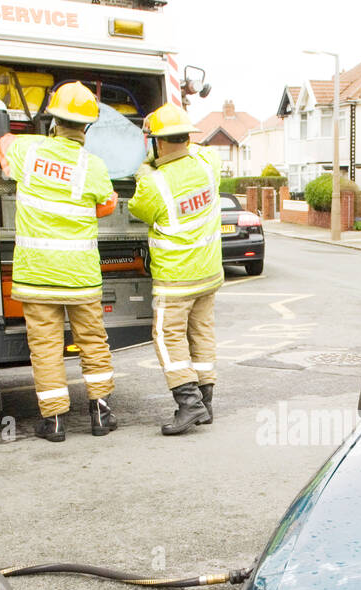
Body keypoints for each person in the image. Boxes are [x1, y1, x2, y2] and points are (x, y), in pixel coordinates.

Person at [0, 83, 116, 443]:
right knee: (93, 342)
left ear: (52, 119)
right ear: (86, 127)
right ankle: (100, 413)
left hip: (37, 275)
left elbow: (3, 146)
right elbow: (107, 205)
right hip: (80, 277)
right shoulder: (92, 165)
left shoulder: (27, 150)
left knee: (46, 348)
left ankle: (55, 422)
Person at [128, 103, 223, 436]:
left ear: (159, 143)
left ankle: (189, 404)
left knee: (168, 338)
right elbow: (198, 151)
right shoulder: (208, 164)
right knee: (202, 335)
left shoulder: (153, 183)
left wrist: (146, 169)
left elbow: (138, 210)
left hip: (176, 278)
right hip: (209, 273)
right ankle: (206, 403)